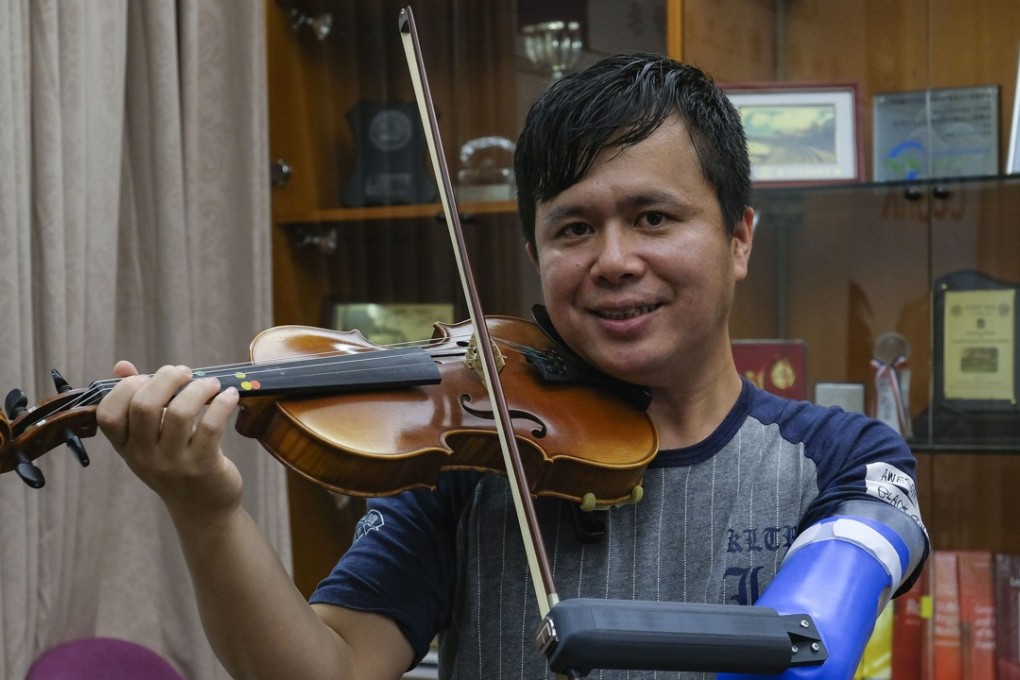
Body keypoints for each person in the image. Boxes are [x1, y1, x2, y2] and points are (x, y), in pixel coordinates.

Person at [96, 53, 929, 680]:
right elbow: (330, 667)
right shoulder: (472, 457)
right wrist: (206, 510)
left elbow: (814, 633)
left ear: (739, 238)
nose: (612, 260)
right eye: (572, 229)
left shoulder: (845, 458)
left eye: (653, 217)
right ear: (534, 253)